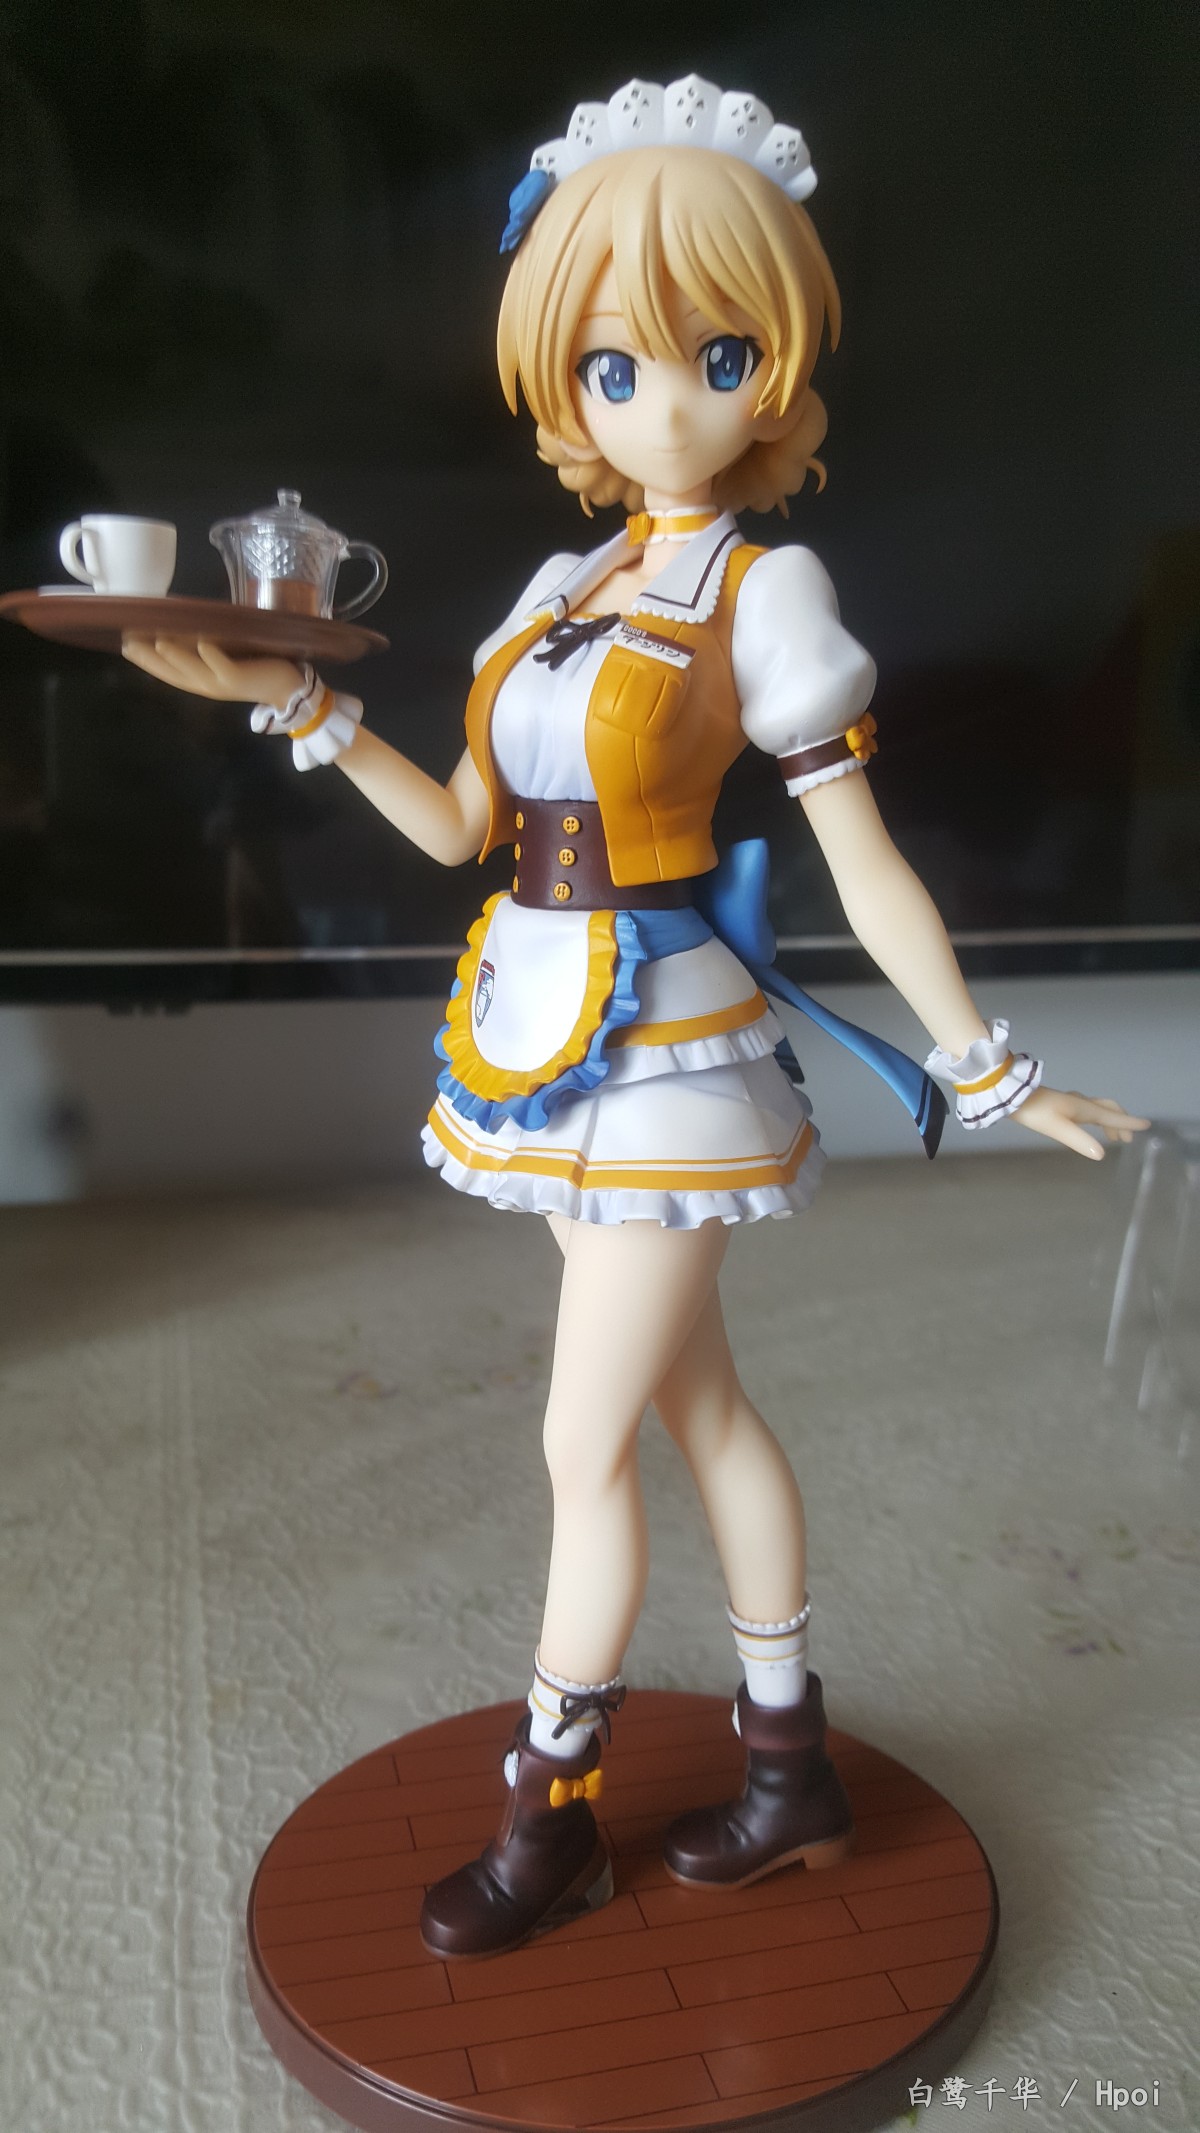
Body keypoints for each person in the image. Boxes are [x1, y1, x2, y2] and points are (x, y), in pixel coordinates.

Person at [124, 74, 1146, 1961]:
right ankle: (790, 1767)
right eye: (613, 364)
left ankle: (554, 1812)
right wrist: (293, 702)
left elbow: (860, 853)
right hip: (546, 1025)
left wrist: (989, 1066)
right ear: (566, 382)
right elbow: (464, 828)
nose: (664, 403)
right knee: (700, 1405)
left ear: (778, 368)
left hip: (670, 1050)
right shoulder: (560, 580)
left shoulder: (769, 585)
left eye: (718, 354)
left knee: (580, 1444)